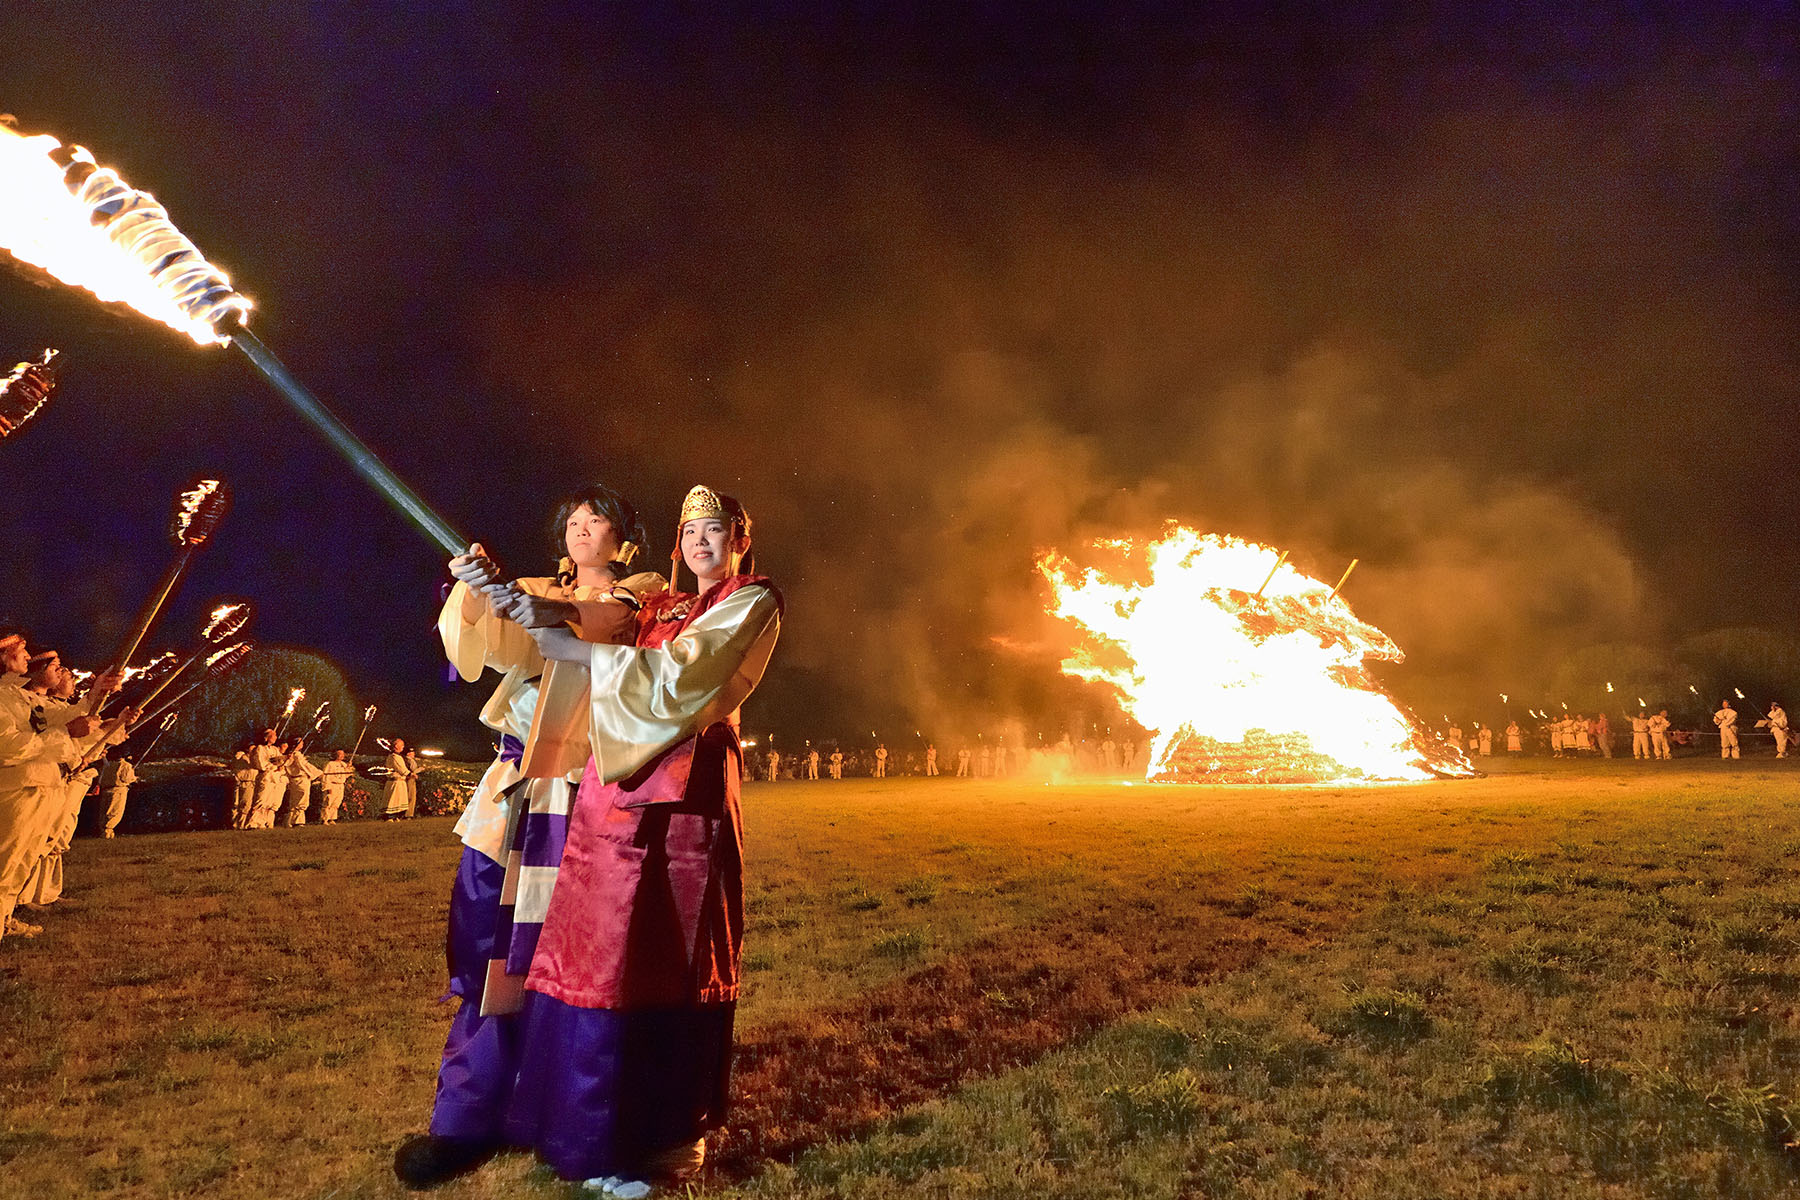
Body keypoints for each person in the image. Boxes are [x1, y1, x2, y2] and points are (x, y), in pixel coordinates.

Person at [499, 484, 782, 1190]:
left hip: (688, 807)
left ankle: (660, 1137)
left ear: (740, 539)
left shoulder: (751, 601)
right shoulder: (655, 605)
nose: (700, 544)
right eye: (690, 532)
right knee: (593, 956)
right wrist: (539, 612)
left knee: (667, 955)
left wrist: (581, 648)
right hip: (610, 801)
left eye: (715, 531)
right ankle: (582, 1130)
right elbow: (598, 622)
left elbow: (684, 680)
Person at [394, 485, 665, 1188]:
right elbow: (483, 652)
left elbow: (597, 625)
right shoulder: (533, 585)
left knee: (577, 968)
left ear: (625, 538)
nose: (581, 528)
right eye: (572, 520)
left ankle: (572, 1122)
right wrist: (484, 591)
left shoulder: (646, 591)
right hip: (513, 791)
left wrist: (538, 608)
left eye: (597, 518)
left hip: (586, 797)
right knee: (489, 958)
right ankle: (467, 1118)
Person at [0, 627, 121, 940]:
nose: (26, 656)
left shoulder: (16, 695)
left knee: (19, 865)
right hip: (15, 790)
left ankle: (4, 918)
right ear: (3, 653)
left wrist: (96, 693)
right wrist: (66, 733)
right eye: (22, 650)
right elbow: (8, 744)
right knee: (4, 865)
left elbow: (59, 721)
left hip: (41, 788)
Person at [279, 738, 321, 826]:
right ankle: (297, 821)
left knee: (295, 800)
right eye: (300, 742)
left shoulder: (294, 755)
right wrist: (316, 773)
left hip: (295, 780)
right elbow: (304, 766)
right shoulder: (296, 755)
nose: (303, 743)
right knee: (301, 799)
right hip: (300, 779)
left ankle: (289, 821)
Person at [251, 729, 286, 829]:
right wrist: (273, 766)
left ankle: (264, 822)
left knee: (269, 801)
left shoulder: (275, 749)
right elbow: (261, 763)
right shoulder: (260, 748)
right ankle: (253, 822)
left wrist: (284, 759)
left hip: (274, 777)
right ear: (267, 737)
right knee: (261, 799)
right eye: (273, 735)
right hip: (265, 776)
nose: (275, 737)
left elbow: (279, 761)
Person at [99, 753, 136, 839]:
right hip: (118, 790)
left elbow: (101, 779)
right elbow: (126, 779)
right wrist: (134, 778)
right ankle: (107, 831)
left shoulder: (107, 765)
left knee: (105, 811)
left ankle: (105, 831)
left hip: (106, 790)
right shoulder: (126, 765)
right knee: (115, 811)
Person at [319, 750, 354, 824]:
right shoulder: (330, 764)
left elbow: (346, 775)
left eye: (343, 754)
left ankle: (332, 818)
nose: (342, 756)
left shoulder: (343, 764)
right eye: (340, 754)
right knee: (328, 802)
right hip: (332, 784)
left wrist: (349, 767)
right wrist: (327, 787)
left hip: (340, 785)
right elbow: (326, 776)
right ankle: (324, 819)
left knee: (336, 803)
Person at [382, 738, 413, 818]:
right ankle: (389, 816)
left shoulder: (397, 756)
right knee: (393, 800)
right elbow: (400, 768)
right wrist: (410, 774)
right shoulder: (393, 757)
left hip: (400, 782)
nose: (403, 747)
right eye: (401, 745)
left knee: (400, 800)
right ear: (396, 746)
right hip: (395, 782)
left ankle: (396, 816)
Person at [231, 742, 259, 828]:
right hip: (244, 782)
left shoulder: (254, 758)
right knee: (240, 804)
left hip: (251, 782)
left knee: (247, 804)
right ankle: (238, 824)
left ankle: (241, 824)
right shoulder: (242, 757)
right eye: (252, 749)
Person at [406, 748, 422, 816]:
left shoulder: (410, 760)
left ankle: (409, 813)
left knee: (411, 796)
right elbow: (411, 771)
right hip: (410, 779)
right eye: (412, 752)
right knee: (410, 796)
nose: (414, 754)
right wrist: (418, 770)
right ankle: (408, 814)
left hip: (411, 779)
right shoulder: (408, 761)